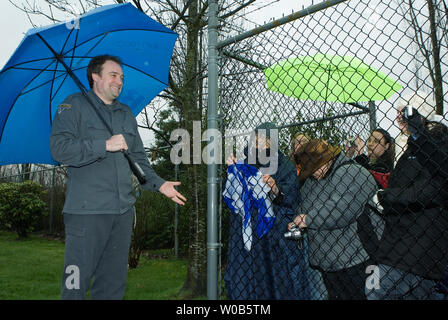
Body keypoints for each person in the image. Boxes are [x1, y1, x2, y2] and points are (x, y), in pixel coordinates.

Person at [50, 55, 186, 300]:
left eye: (122, 77)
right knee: (75, 286)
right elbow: (60, 149)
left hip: (122, 213)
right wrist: (104, 145)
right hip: (86, 213)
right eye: (113, 75)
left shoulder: (125, 113)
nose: (119, 81)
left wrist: (159, 184)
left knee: (112, 288)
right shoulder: (72, 106)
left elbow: (139, 159)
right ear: (95, 76)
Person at [366, 106, 448, 300]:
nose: (399, 116)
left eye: (406, 111)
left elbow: (431, 190)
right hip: (399, 241)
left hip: (419, 243)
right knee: (374, 288)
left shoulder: (438, 142)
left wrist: (385, 198)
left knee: (373, 290)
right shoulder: (412, 145)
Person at [223, 122, 312, 299]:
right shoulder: (244, 162)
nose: (261, 142)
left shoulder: (284, 165)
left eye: (266, 139)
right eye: (258, 137)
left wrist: (275, 189)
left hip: (274, 237)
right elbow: (229, 197)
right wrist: (232, 173)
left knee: (277, 283)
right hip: (246, 238)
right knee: (246, 283)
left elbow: (292, 199)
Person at [291, 139, 377, 300]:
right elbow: (304, 206)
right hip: (329, 263)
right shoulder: (313, 179)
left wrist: (308, 219)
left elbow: (340, 210)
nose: (313, 173)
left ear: (328, 159)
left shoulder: (352, 172)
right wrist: (297, 220)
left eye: (314, 168)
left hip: (358, 260)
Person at [394, 91, 436, 164]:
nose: (398, 116)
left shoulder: (435, 138)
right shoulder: (399, 140)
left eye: (404, 112)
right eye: (398, 112)